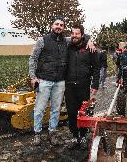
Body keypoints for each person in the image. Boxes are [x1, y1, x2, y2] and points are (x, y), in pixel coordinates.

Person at [29, 17, 94, 146]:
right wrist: (33, 77)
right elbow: (33, 58)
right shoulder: (42, 40)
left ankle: (52, 133)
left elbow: (80, 36)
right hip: (44, 80)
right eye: (56, 24)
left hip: (60, 82)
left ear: (64, 28)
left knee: (56, 109)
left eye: (61, 25)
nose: (59, 26)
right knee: (39, 109)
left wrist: (90, 40)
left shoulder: (67, 41)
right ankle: (37, 133)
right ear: (52, 26)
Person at [65, 24, 100, 149]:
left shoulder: (90, 48)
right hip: (69, 86)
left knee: (83, 112)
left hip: (83, 86)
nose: (74, 36)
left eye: (77, 33)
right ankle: (75, 136)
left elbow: (96, 68)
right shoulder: (67, 47)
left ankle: (84, 136)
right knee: (71, 113)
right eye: (73, 33)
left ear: (82, 35)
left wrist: (95, 85)